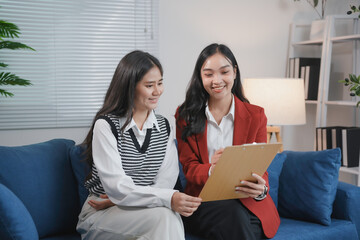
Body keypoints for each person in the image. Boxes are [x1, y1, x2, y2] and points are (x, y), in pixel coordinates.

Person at [76, 50, 202, 240]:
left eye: (160, 83)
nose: (157, 91)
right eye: (149, 85)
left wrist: (124, 200)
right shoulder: (106, 125)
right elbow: (117, 188)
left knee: (166, 215)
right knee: (165, 216)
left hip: (138, 209)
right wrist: (164, 199)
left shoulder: (164, 126)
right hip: (100, 212)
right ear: (130, 87)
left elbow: (165, 182)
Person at [175, 43, 280, 240]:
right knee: (234, 217)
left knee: (237, 220)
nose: (217, 80)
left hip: (247, 203)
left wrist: (261, 189)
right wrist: (211, 169)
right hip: (204, 201)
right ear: (200, 77)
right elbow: (189, 168)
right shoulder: (185, 115)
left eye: (224, 72)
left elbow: (261, 167)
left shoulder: (256, 115)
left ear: (234, 73)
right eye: (208, 74)